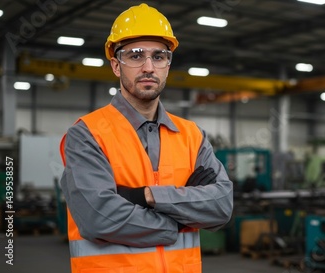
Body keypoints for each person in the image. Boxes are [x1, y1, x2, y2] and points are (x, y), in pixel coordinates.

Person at [59, 3, 233, 273]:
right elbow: (98, 218)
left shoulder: (192, 135)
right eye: (135, 56)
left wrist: (147, 196)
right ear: (116, 66)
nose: (148, 67)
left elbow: (221, 206)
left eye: (159, 56)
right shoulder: (87, 134)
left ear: (167, 65)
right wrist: (178, 222)